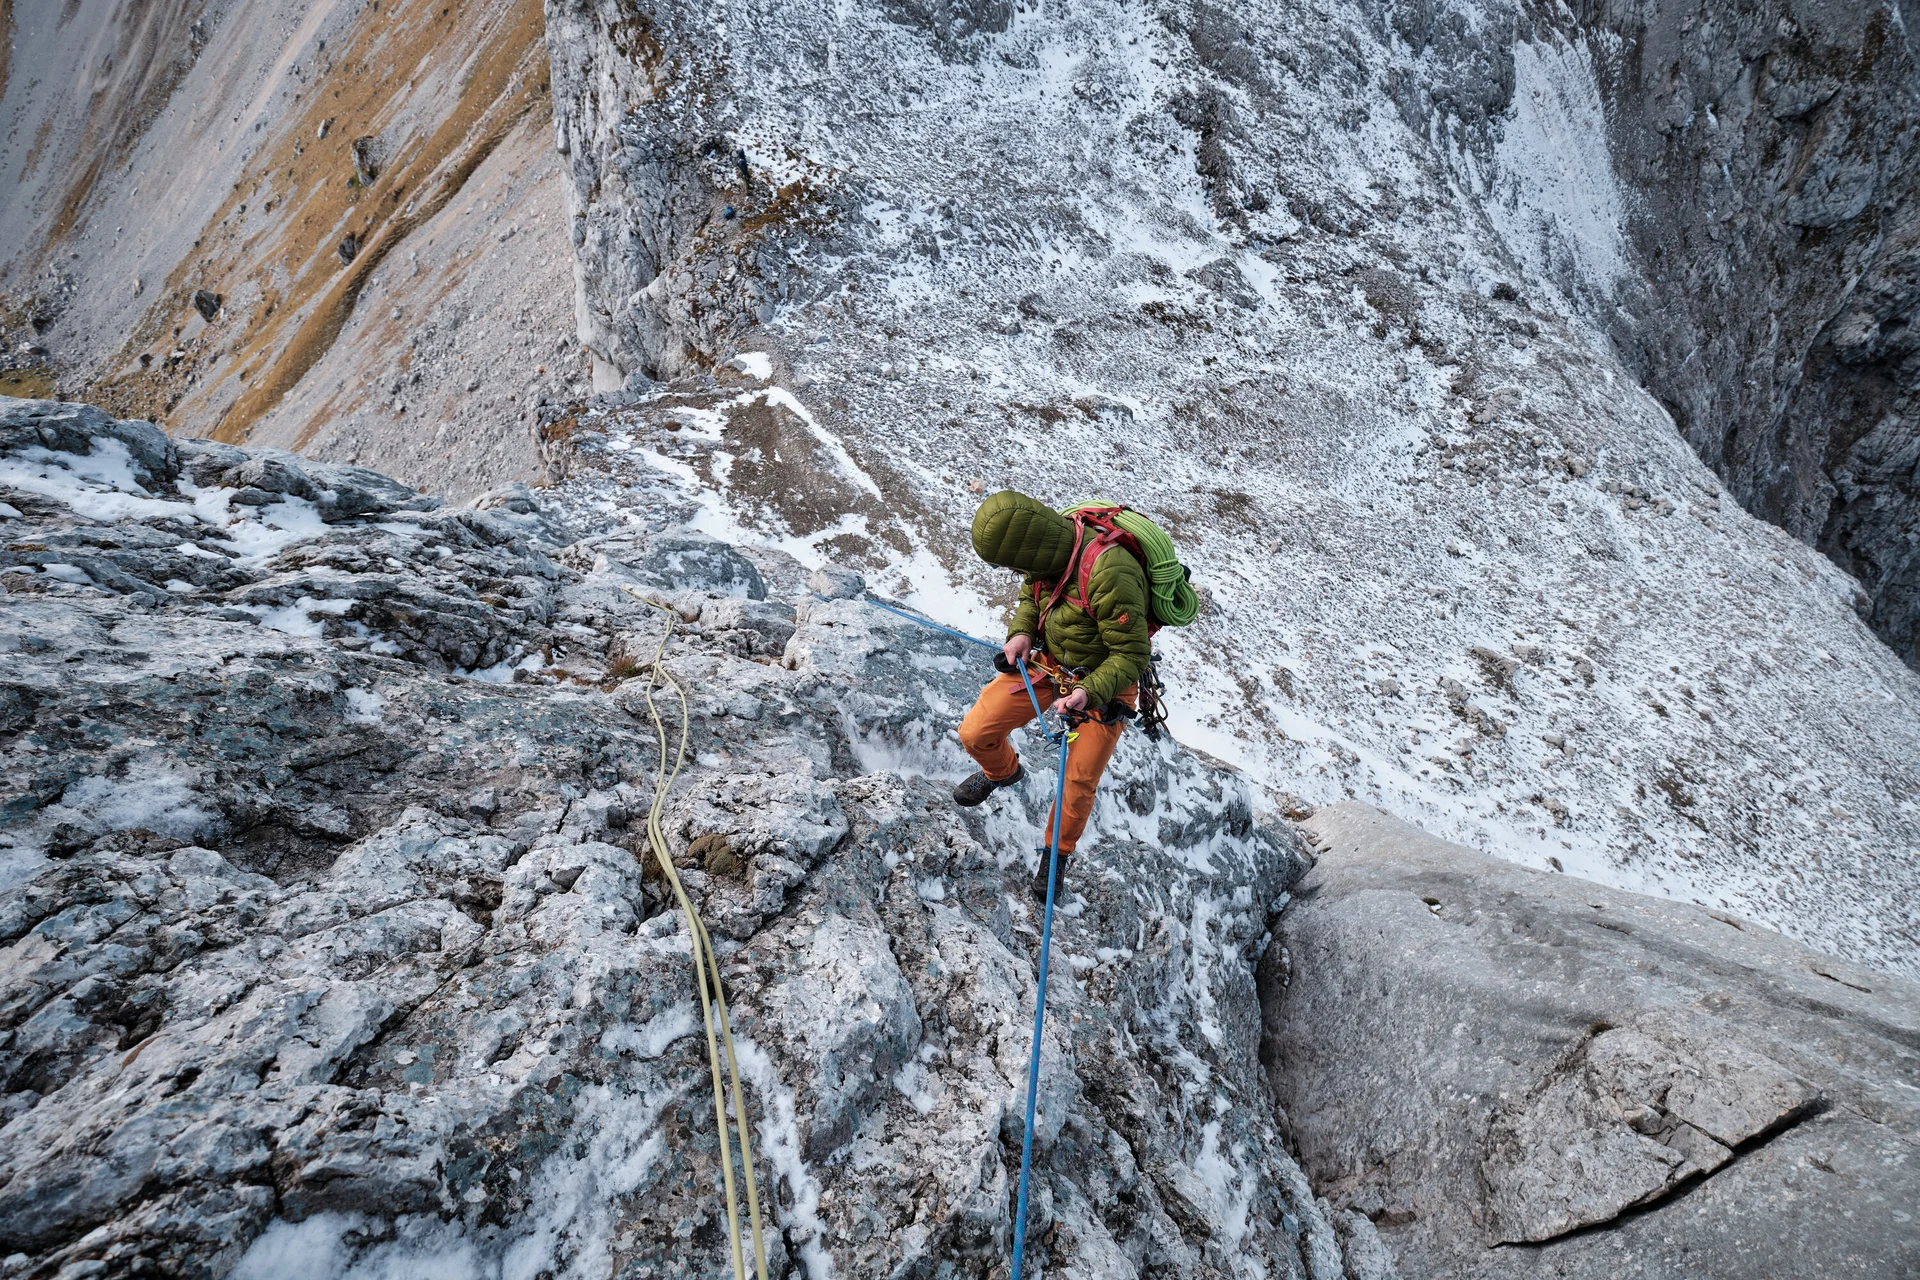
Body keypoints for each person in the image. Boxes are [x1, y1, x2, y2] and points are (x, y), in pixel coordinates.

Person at [952, 490, 1151, 902]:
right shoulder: (1047, 551)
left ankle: (1057, 855)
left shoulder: (1109, 572)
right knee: (976, 731)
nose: (1015, 571)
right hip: (1049, 663)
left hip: (1105, 684)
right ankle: (1002, 773)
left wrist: (1088, 691)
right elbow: (1032, 595)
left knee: (1078, 778)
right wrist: (1021, 633)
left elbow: (1131, 654)